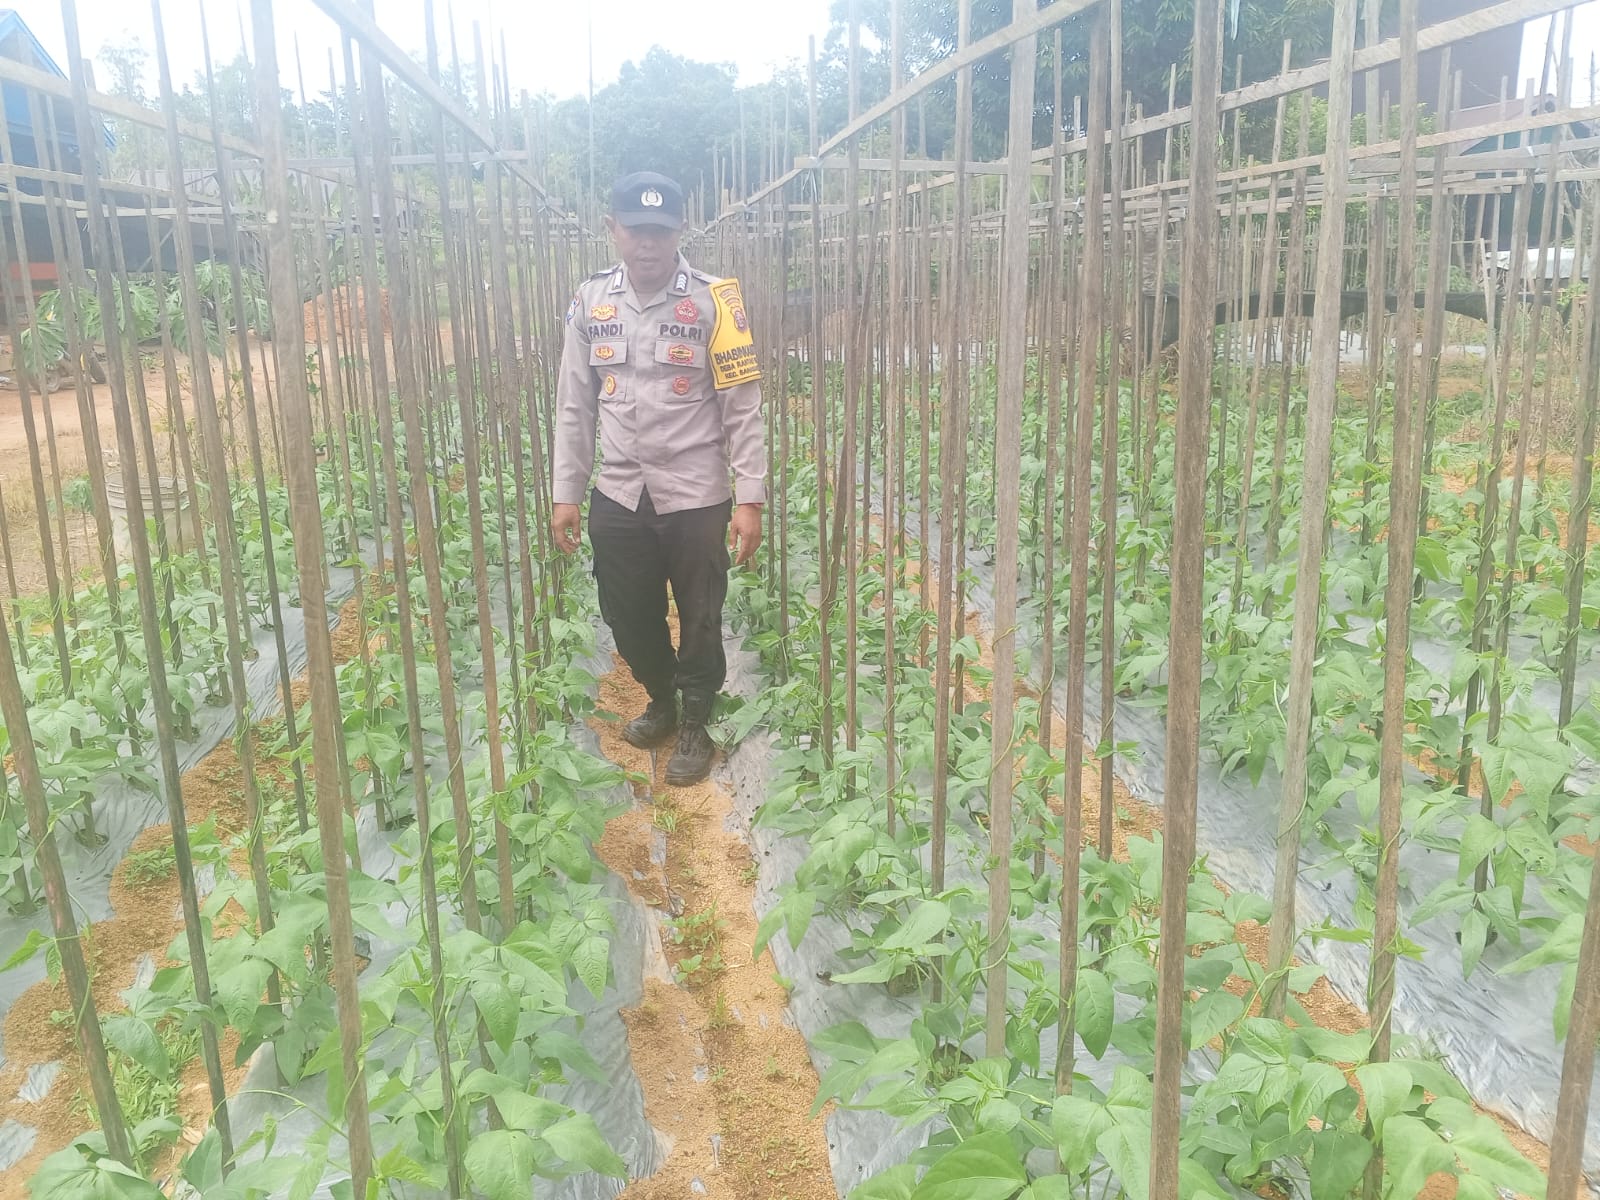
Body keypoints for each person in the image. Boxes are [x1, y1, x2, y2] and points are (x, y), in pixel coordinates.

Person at [551, 171, 766, 787]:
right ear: (612, 229)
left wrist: (750, 497)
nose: (649, 243)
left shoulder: (716, 301)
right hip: (619, 491)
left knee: (701, 611)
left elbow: (742, 405)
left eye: (661, 231)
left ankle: (695, 718)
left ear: (681, 231)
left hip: (695, 493)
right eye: (636, 230)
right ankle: (661, 696)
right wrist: (567, 491)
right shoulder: (591, 302)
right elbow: (574, 403)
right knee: (626, 612)